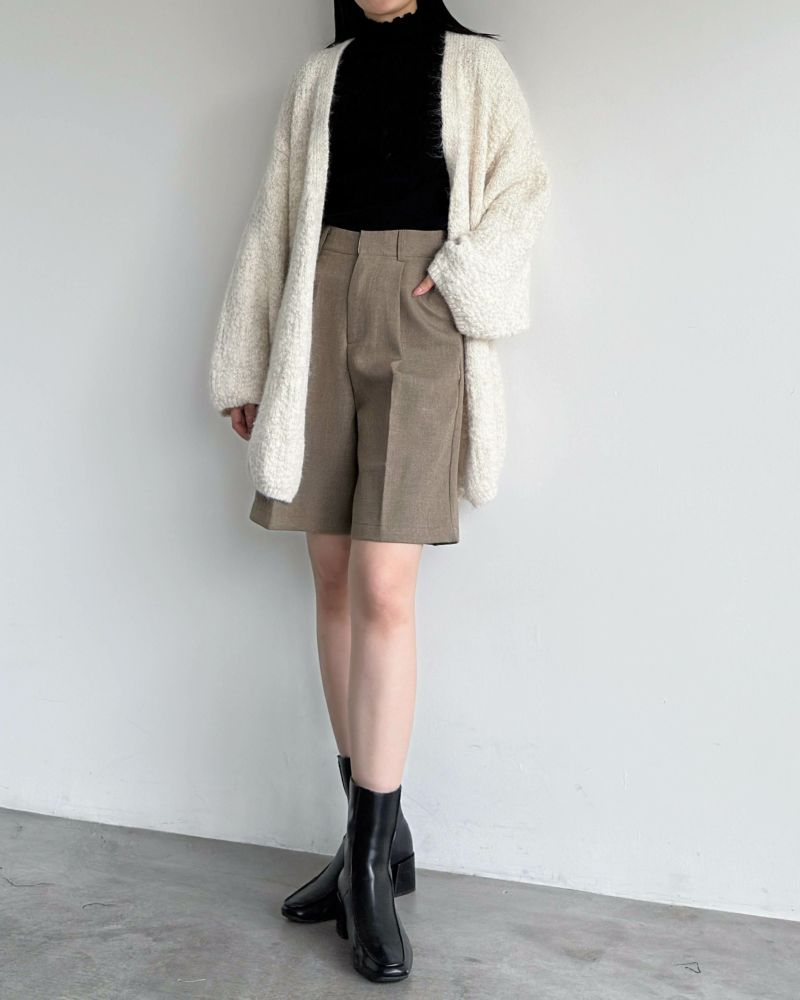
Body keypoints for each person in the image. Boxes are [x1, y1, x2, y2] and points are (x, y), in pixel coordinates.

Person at [208, 0, 551, 983]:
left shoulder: (475, 67)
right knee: (329, 572)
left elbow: (522, 187)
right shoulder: (321, 75)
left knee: (384, 586)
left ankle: (366, 864)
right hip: (317, 306)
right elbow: (275, 218)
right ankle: (376, 840)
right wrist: (247, 362)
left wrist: (457, 276)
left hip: (421, 312)